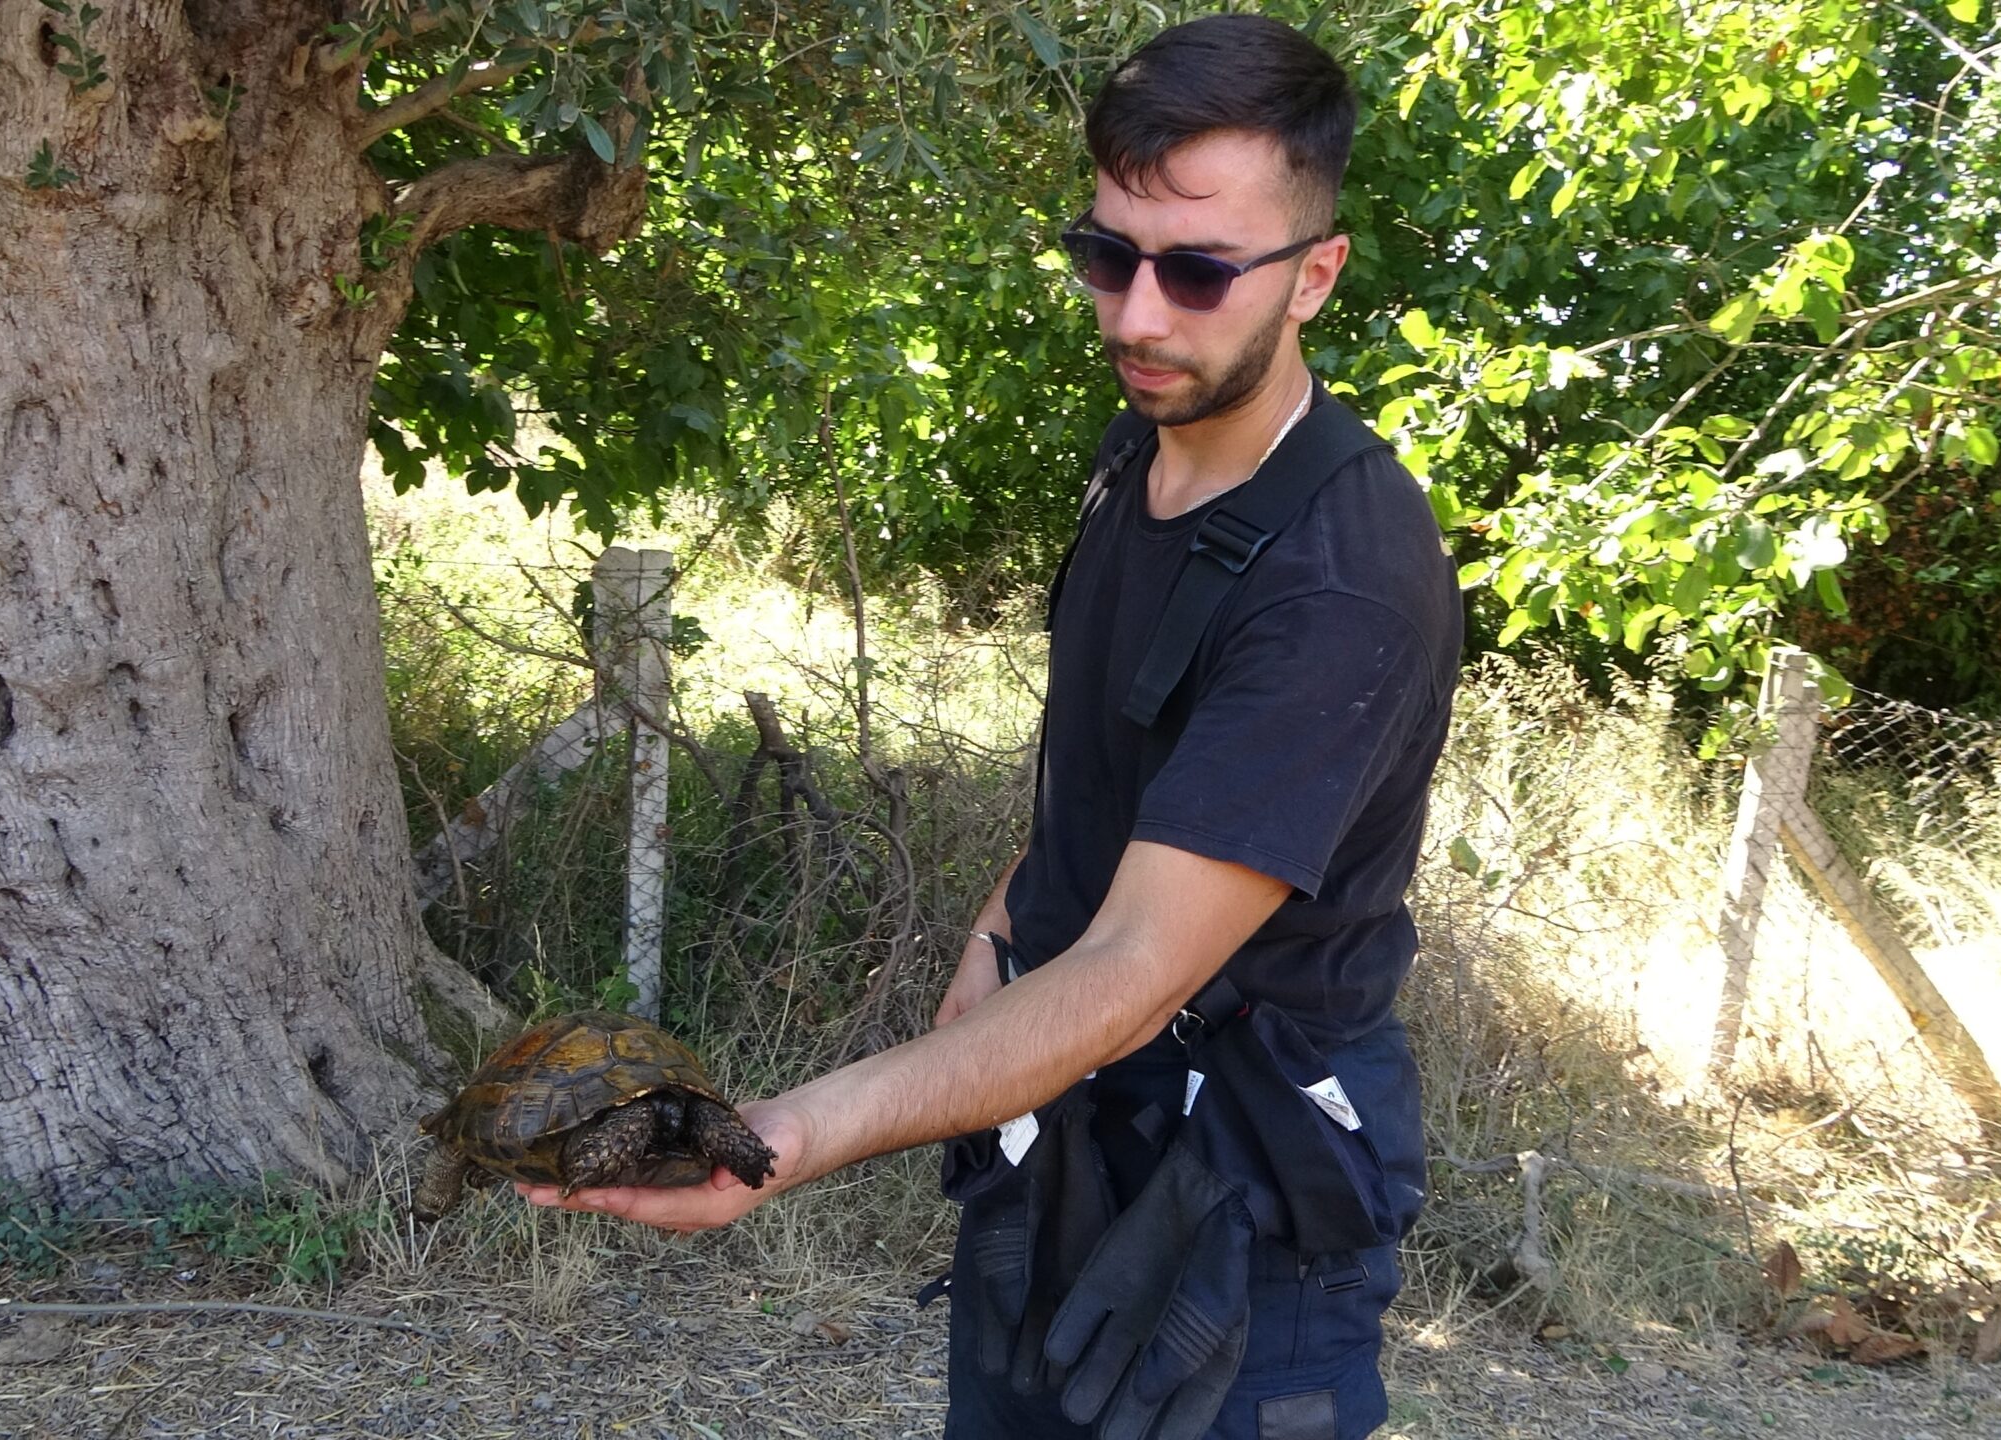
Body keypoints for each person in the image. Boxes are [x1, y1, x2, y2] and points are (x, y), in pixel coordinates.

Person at [520, 15, 1461, 1438]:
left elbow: (1142, 967)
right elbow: (1108, 767)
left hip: (1244, 1205)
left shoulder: (1343, 581)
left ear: (1314, 273)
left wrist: (778, 1137)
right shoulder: (1134, 454)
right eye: (1107, 256)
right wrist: (996, 927)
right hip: (1066, 1139)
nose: (1139, 317)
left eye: (1200, 271)